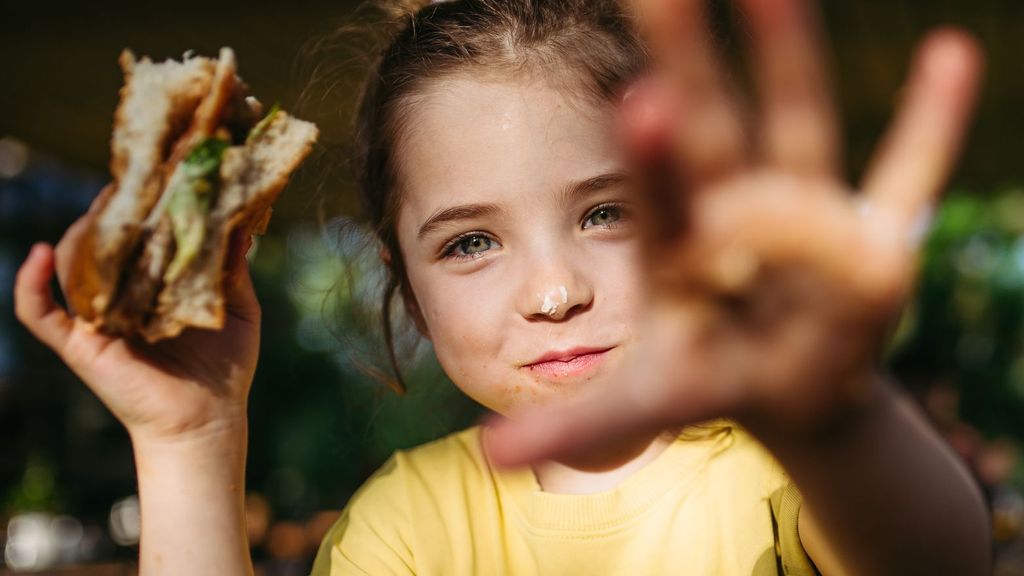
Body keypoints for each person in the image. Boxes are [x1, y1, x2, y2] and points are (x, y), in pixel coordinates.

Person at [12, 0, 991, 574]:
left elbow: (938, 559)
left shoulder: (784, 465)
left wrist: (835, 423)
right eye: (471, 242)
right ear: (405, 284)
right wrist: (189, 445)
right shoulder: (408, 521)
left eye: (608, 213)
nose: (555, 291)